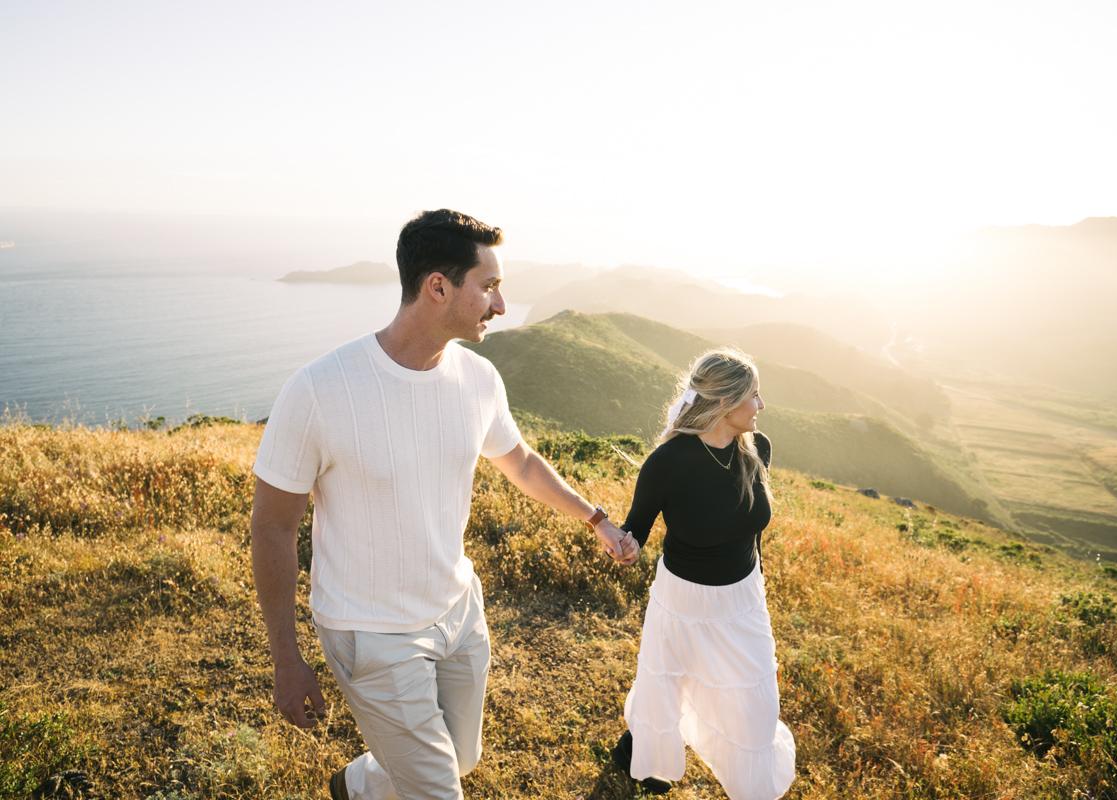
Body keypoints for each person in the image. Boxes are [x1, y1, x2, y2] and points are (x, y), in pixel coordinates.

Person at [250, 209, 636, 800]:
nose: (500, 307)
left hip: (458, 611)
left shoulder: (479, 379)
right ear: (438, 287)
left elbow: (523, 463)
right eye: (489, 287)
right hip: (371, 632)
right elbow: (273, 528)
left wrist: (597, 518)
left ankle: (358, 785)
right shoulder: (320, 390)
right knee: (438, 791)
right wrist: (286, 658)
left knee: (462, 756)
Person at [611, 349, 796, 799]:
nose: (761, 405)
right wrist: (626, 546)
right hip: (683, 599)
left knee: (754, 705)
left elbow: (751, 532)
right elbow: (635, 530)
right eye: (754, 395)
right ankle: (641, 754)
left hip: (742, 600)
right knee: (667, 683)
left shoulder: (758, 449)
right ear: (726, 403)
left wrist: (757, 584)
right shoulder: (668, 462)